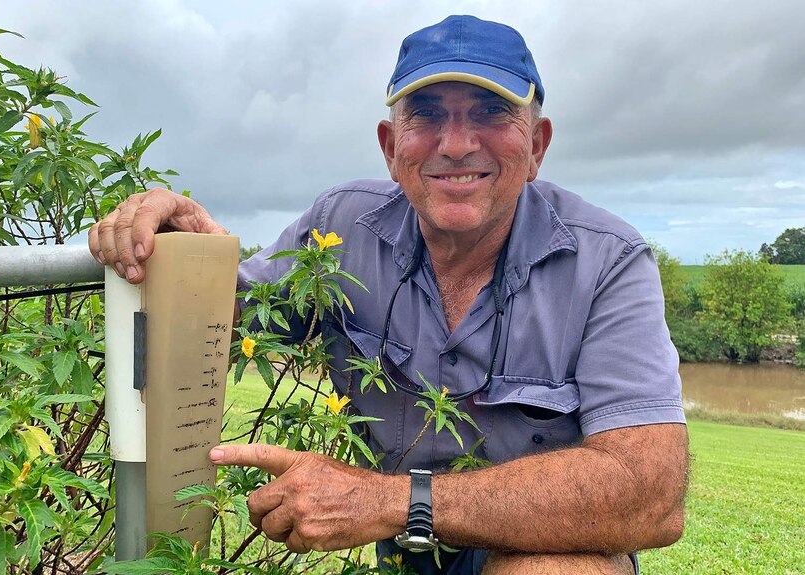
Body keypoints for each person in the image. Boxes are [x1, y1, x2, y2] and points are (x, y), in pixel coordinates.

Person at [89, 15, 688, 575]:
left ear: (536, 146)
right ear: (388, 146)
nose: (456, 144)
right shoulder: (338, 226)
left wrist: (394, 500)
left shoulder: (610, 259)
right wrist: (188, 252)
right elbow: (233, 320)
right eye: (425, 114)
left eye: (491, 112)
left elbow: (651, 492)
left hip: (534, 547)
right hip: (400, 558)